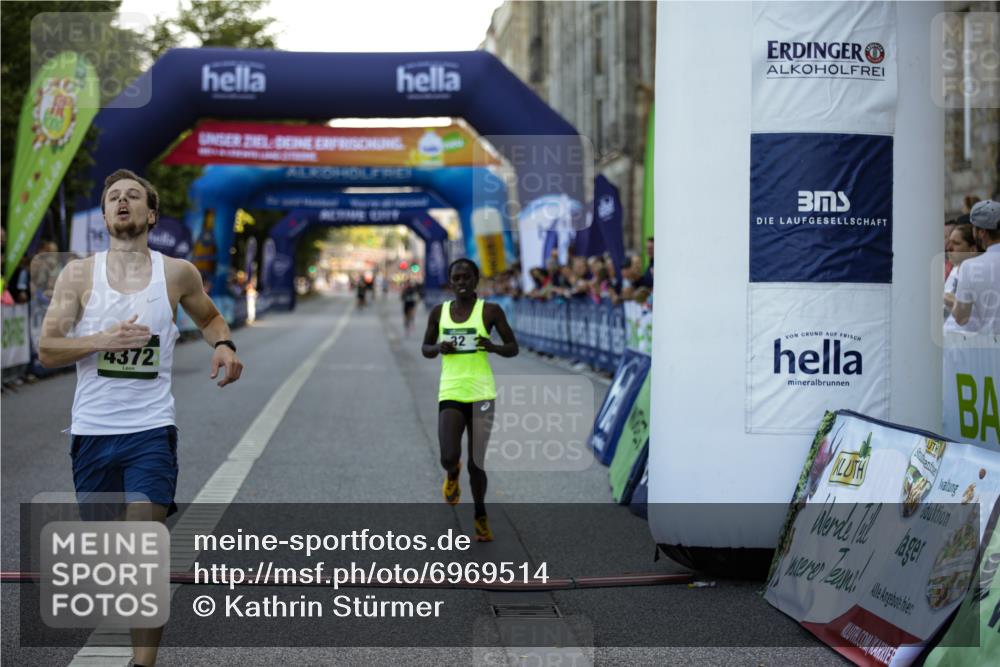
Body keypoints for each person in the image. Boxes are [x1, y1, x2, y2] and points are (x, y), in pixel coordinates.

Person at [38, 168, 244, 667]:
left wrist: (225, 345)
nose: (122, 202)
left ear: (151, 214)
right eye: (113, 198)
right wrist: (102, 340)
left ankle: (143, 664)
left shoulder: (175, 273)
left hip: (151, 430)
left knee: (143, 550)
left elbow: (212, 317)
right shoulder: (77, 275)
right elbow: (47, 349)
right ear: (106, 215)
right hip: (92, 432)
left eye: (133, 196)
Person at [421, 259, 518, 542]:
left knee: (478, 463)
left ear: (476, 280)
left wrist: (494, 347)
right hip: (451, 391)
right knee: (449, 456)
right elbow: (425, 349)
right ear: (451, 282)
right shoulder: (439, 313)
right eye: (456, 278)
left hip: (482, 394)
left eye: (466, 277)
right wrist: (439, 347)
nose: (461, 282)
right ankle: (452, 474)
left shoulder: (490, 311)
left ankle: (480, 514)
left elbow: (513, 348)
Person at [952, 199, 1000, 334]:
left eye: (974, 228)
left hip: (992, 349)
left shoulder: (970, 267)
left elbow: (961, 318)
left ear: (982, 232)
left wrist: (951, 301)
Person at [944, 223, 980, 332]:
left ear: (972, 249)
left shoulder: (979, 274)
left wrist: (951, 301)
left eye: (956, 243)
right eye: (949, 242)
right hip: (949, 341)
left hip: (969, 342)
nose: (949, 248)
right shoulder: (955, 270)